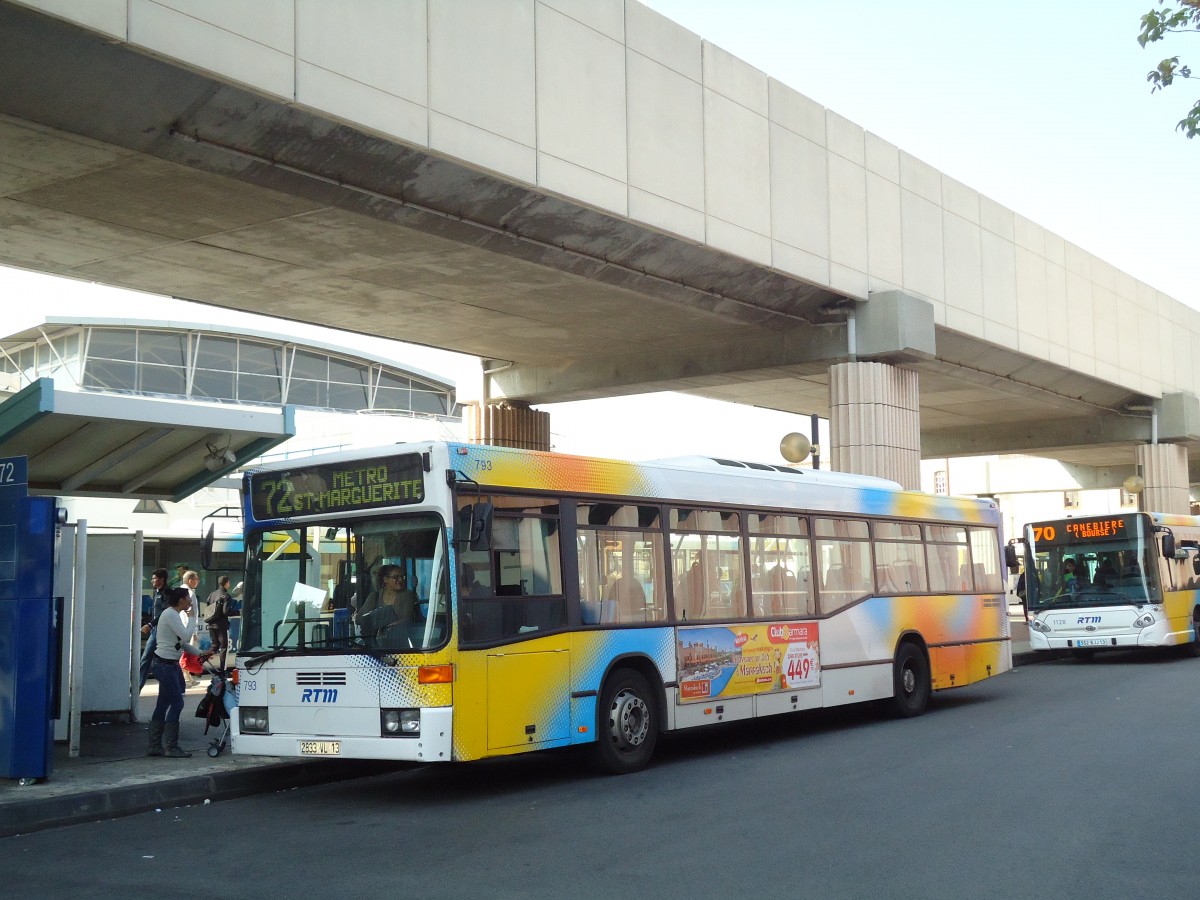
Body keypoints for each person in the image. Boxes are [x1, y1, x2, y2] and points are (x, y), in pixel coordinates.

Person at [148, 587, 213, 758]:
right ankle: (171, 747)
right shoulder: (170, 614)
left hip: (167, 663)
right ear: (181, 600)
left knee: (163, 703)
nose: (191, 602)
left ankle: (155, 745)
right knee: (177, 703)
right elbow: (184, 636)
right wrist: (193, 619)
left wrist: (201, 653)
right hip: (165, 665)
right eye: (188, 599)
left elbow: (180, 644)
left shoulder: (172, 615)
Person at [138, 568, 171, 691]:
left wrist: (150, 625)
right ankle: (138, 686)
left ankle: (177, 686)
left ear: (162, 579)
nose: (152, 580)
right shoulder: (156, 592)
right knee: (146, 659)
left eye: (154, 578)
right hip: (155, 631)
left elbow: (164, 613)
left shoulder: (167, 593)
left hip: (161, 632)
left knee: (161, 660)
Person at [205, 574, 233, 669]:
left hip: (211, 624)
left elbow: (208, 607)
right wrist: (239, 611)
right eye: (229, 582)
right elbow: (226, 611)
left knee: (214, 646)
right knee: (224, 647)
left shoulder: (212, 594)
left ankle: (201, 660)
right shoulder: (226, 595)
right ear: (226, 583)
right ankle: (222, 669)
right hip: (221, 625)